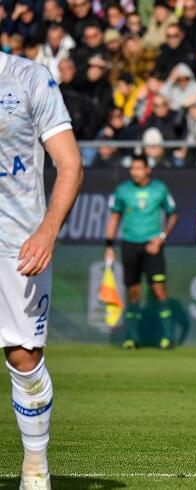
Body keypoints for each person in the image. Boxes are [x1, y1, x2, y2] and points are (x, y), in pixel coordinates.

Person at [0, 51, 82, 490]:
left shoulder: (29, 78)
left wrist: (47, 232)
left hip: (17, 245)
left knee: (23, 358)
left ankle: (35, 469)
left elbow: (69, 164)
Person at [104, 155, 178, 350]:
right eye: (132, 168)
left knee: (159, 289)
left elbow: (173, 214)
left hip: (152, 245)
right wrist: (109, 246)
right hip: (129, 244)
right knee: (133, 292)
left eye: (138, 168)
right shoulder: (123, 191)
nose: (134, 172)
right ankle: (132, 338)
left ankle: (168, 337)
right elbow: (114, 217)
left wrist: (161, 237)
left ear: (148, 169)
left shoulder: (159, 189)